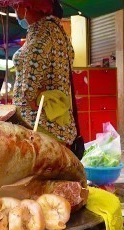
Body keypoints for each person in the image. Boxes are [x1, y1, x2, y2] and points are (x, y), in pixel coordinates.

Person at [9, 0, 78, 145]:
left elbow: (28, 90)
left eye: (16, 5)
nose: (15, 9)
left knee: (41, 166)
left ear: (29, 6)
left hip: (39, 123)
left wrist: (31, 97)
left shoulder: (40, 33)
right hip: (58, 121)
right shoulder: (59, 33)